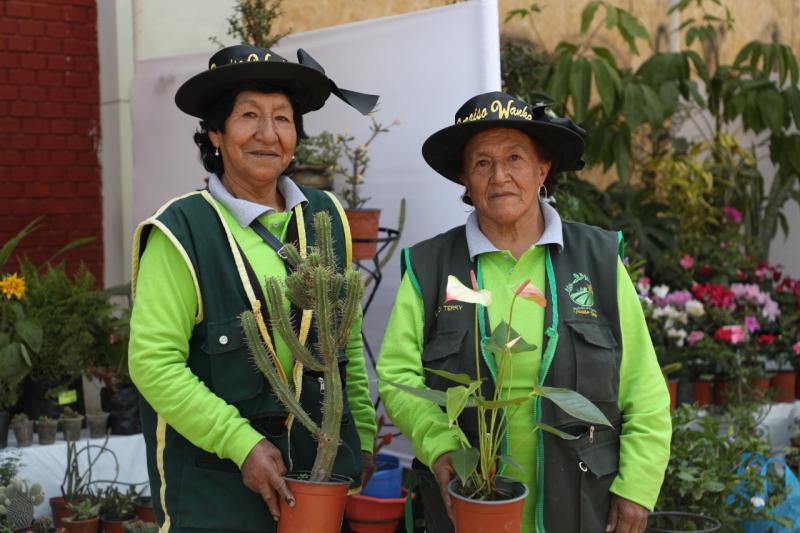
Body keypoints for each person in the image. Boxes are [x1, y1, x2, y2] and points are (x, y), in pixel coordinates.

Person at [377, 91, 671, 533]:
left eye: (515, 158)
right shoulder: (429, 266)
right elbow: (398, 377)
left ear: (542, 169)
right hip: (469, 505)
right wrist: (441, 448)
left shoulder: (597, 258)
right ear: (465, 178)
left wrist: (638, 486)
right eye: (482, 163)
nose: (500, 177)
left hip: (581, 505)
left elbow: (643, 386)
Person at [128, 45, 378, 533]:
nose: (268, 134)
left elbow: (343, 339)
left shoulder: (325, 217)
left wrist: (359, 436)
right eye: (249, 116)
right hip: (215, 492)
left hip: (315, 479)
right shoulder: (182, 231)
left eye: (282, 118)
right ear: (216, 133)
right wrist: (240, 443)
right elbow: (152, 363)